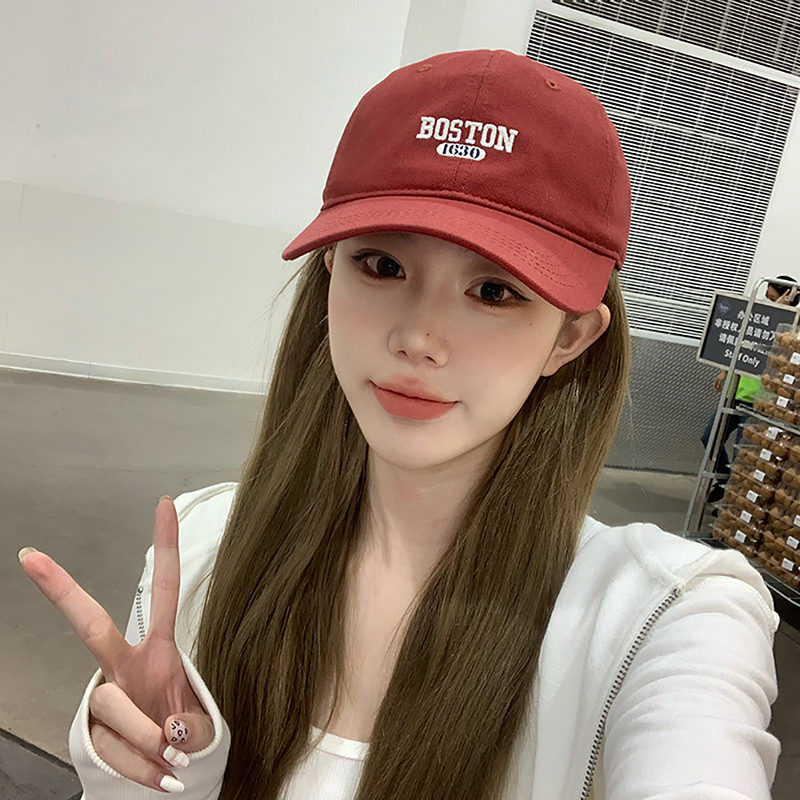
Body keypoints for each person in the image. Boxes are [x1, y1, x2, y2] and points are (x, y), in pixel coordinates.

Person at [18, 50, 781, 800]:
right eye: (382, 265)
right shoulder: (201, 548)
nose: (418, 337)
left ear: (570, 338)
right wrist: (156, 781)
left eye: (493, 291)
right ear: (330, 271)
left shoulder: (667, 616)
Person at [704, 277, 799, 503]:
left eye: (772, 298)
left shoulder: (791, 329)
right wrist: (724, 371)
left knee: (743, 454)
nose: (767, 301)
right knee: (709, 437)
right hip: (735, 393)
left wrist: (781, 311)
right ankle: (724, 477)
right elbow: (742, 344)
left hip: (759, 402)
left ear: (787, 296)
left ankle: (732, 500)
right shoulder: (759, 320)